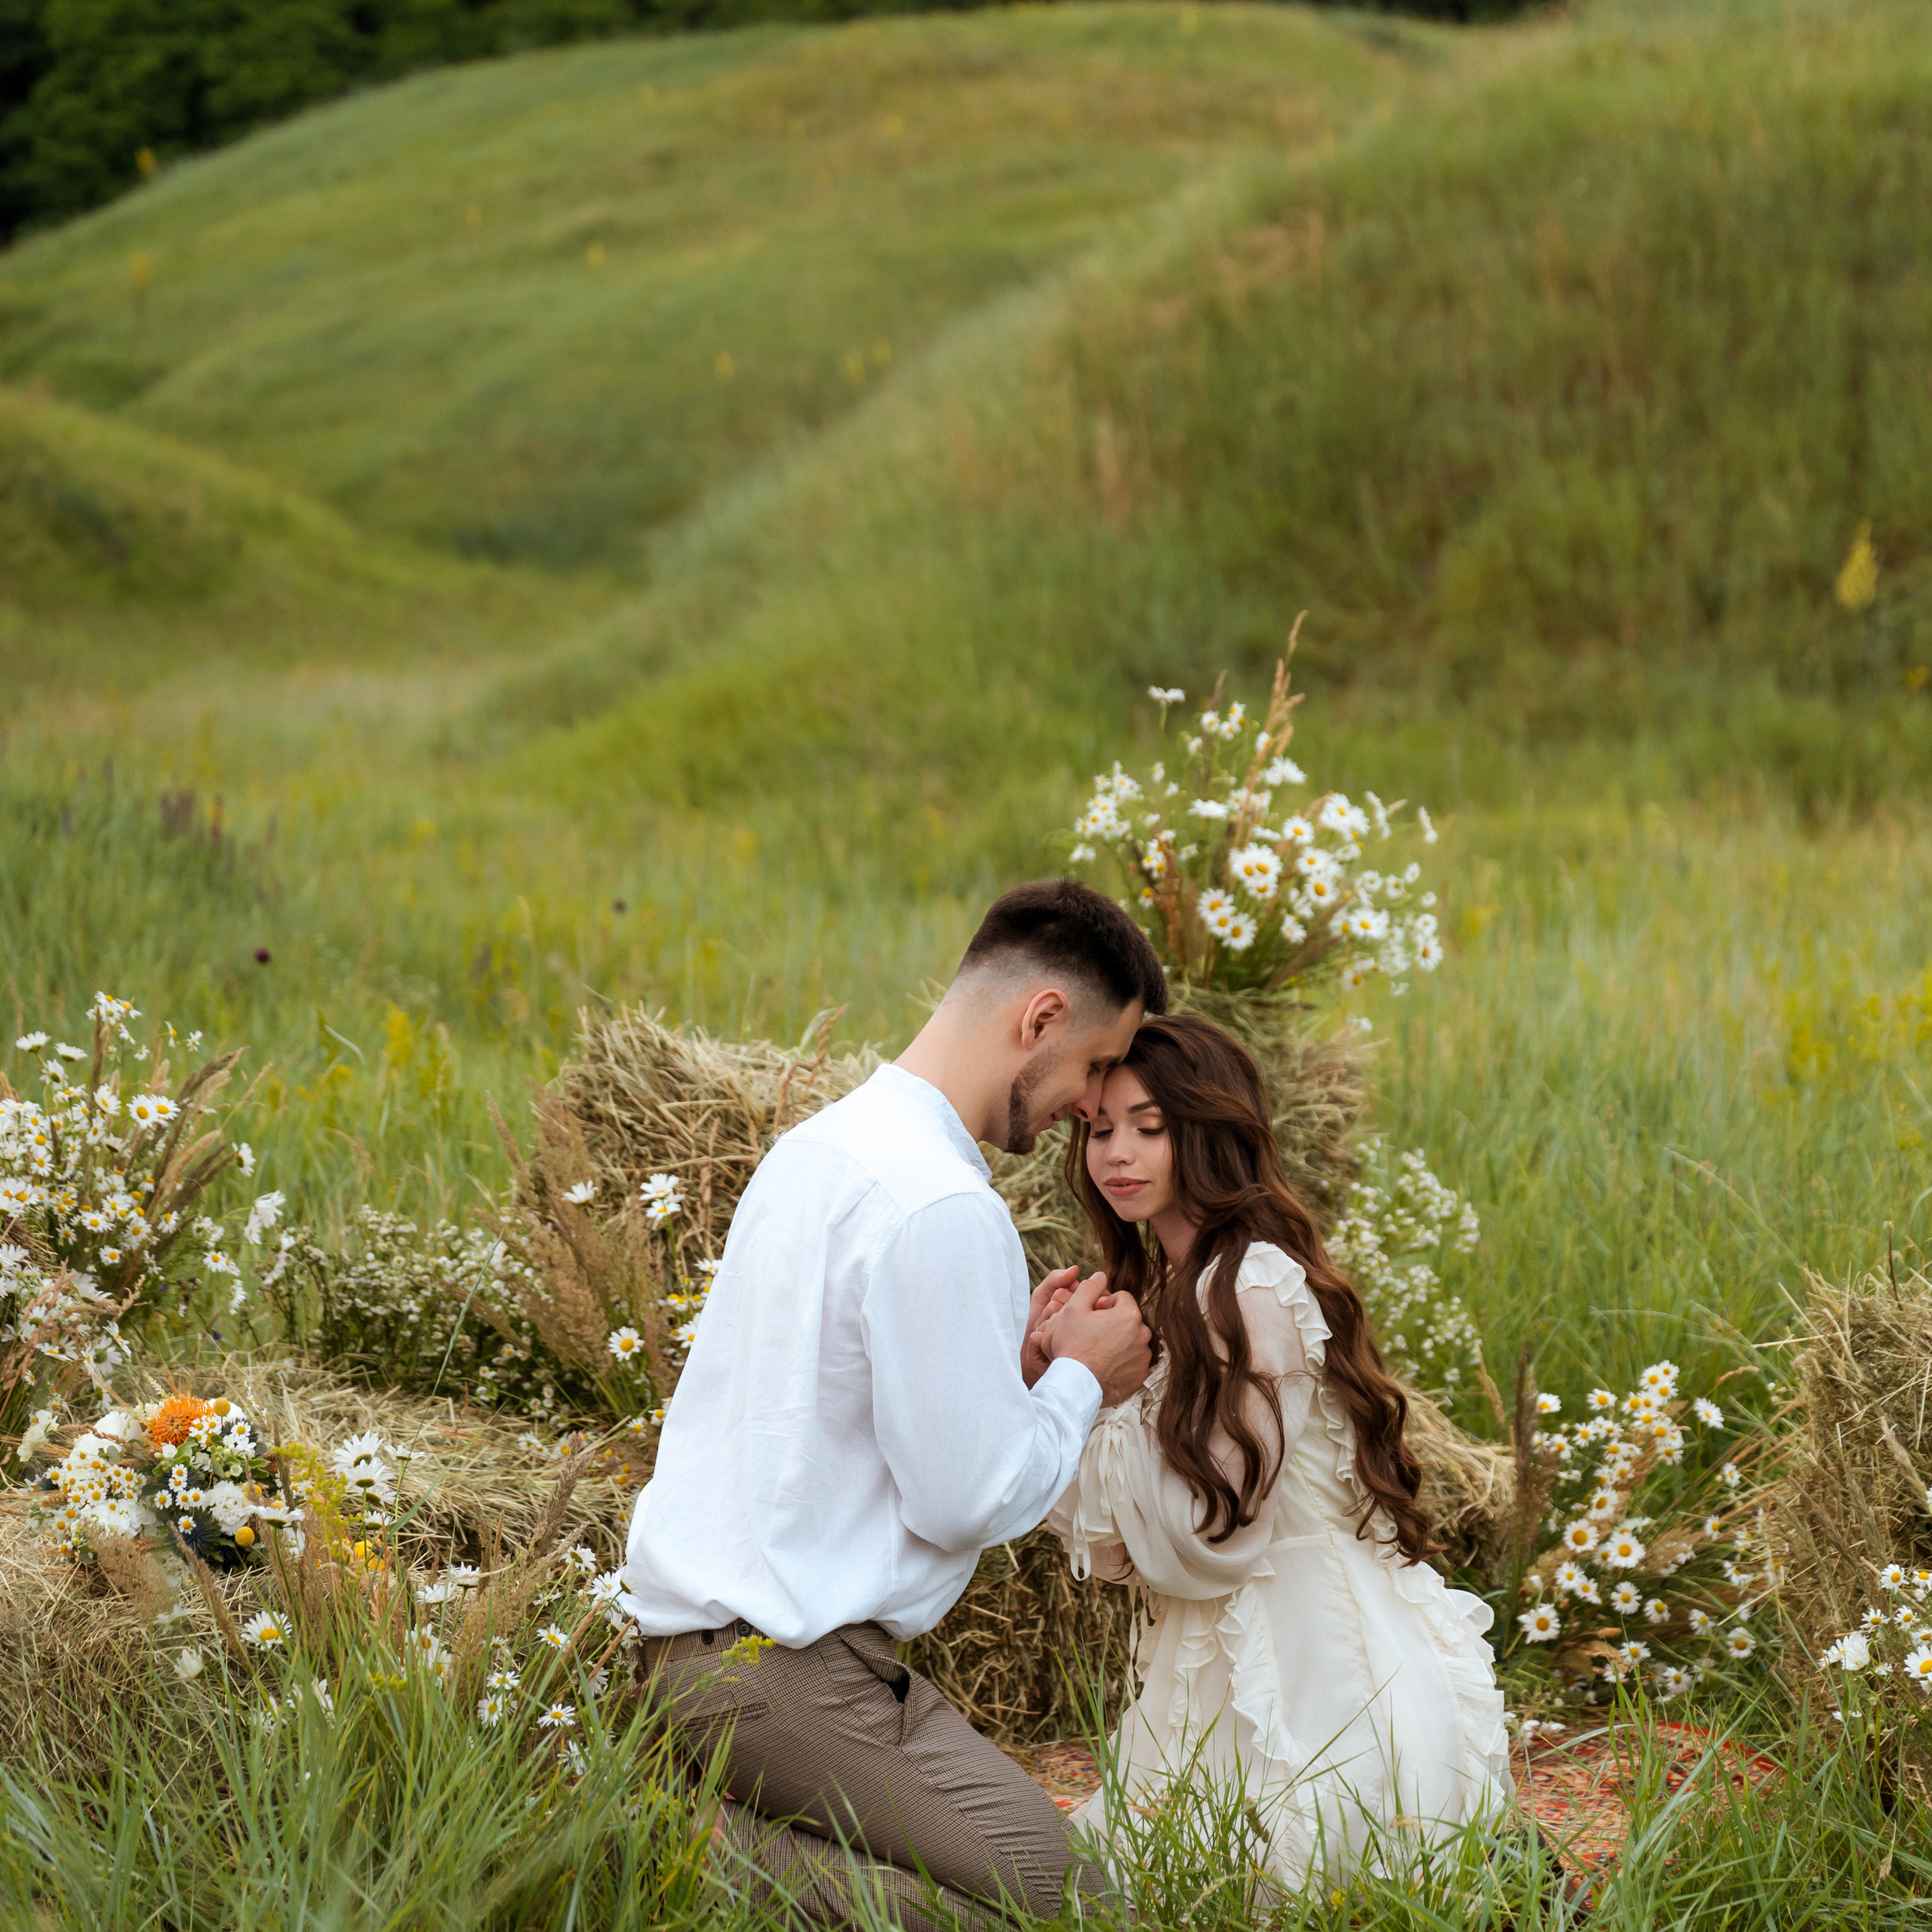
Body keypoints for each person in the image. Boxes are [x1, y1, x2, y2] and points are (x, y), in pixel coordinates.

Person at [619, 878, 1168, 1928]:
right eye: (1097, 1066)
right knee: (1075, 1907)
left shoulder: (823, 1149)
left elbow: (833, 1411)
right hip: (785, 1677)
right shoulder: (943, 1203)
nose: (1093, 1107)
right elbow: (960, 1503)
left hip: (701, 1659)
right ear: (1040, 1018)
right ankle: (678, 1850)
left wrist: (1002, 1377)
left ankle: (705, 1839)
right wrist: (1078, 1384)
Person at [1039, 1013, 1512, 1885]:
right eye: (1100, 1128)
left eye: (1150, 1127)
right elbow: (1120, 1548)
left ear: (1208, 1132)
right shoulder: (1169, 1288)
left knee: (1248, 1871)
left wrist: (1086, 1393)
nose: (1117, 1152)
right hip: (1214, 1643)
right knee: (1120, 1875)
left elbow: (1208, 1534)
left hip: (1307, 1657)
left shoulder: (1249, 1284)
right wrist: (1051, 1377)